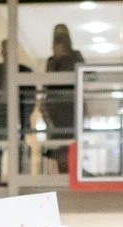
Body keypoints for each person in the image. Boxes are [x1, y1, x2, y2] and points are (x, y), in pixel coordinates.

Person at [0, 39, 34, 186]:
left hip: (18, 116)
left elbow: (30, 99)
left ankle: (20, 181)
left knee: (19, 150)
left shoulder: (26, 72)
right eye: (5, 50)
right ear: (2, 52)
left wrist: (25, 118)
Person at [44, 24, 84, 172]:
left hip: (72, 109)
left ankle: (72, 173)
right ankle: (64, 174)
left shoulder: (75, 56)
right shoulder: (51, 60)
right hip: (56, 111)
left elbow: (85, 75)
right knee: (59, 147)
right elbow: (48, 83)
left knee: (71, 145)